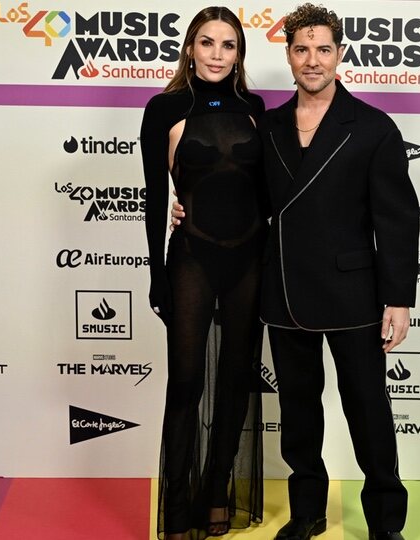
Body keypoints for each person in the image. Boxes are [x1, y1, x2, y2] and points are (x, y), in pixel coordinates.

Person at [172, 5, 419, 539]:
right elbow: (240, 191)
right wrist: (185, 202)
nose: (312, 60)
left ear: (340, 55)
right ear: (288, 55)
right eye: (302, 49)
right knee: (298, 414)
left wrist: (398, 300)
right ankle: (307, 512)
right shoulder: (267, 124)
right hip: (282, 288)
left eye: (323, 49)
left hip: (353, 291)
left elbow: (397, 220)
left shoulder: (373, 128)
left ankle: (385, 522)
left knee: (369, 412)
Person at [139, 7, 267, 539]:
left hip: (251, 260)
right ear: (190, 48)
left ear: (239, 54)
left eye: (229, 45)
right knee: (186, 382)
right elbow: (153, 197)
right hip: (190, 257)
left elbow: (269, 190)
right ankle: (178, 507)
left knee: (237, 380)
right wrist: (156, 273)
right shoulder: (163, 107)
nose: (217, 54)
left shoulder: (257, 108)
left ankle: (217, 494)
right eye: (207, 42)